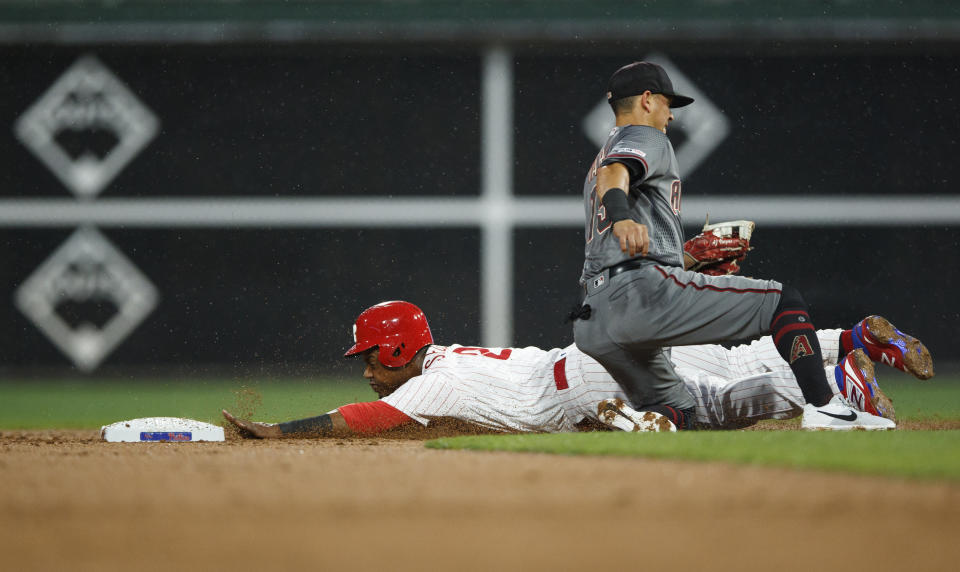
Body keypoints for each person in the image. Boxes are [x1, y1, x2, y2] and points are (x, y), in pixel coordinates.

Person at [569, 61, 900, 430]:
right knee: (783, 301)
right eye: (667, 104)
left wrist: (684, 259)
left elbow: (610, 179)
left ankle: (630, 423)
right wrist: (622, 215)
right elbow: (615, 173)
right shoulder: (646, 137)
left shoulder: (601, 153)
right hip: (642, 296)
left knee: (678, 411)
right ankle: (825, 408)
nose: (671, 116)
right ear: (647, 100)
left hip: (593, 319)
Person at [223, 301, 933, 438]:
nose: (366, 373)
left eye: (370, 359)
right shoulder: (449, 355)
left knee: (719, 405)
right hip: (592, 358)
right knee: (733, 350)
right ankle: (848, 346)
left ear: (397, 351)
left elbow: (368, 417)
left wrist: (280, 433)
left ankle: (842, 390)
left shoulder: (430, 381)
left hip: (589, 386)